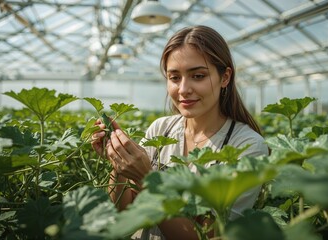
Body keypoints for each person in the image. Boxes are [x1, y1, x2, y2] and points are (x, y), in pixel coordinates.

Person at [91, 25, 269, 240]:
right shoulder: (161, 128)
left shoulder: (247, 146)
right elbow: (123, 214)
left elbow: (209, 235)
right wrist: (119, 164)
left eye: (198, 76)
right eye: (174, 77)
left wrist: (147, 179)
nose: (183, 89)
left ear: (225, 77)